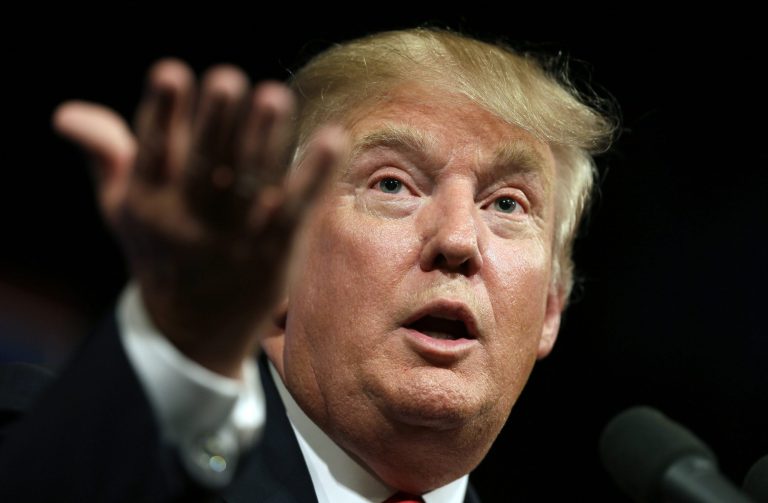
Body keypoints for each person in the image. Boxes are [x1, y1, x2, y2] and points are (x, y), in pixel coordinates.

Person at [0, 28, 614, 502]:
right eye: (392, 185)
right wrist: (182, 345)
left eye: (507, 204)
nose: (457, 240)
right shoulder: (74, 445)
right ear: (278, 259)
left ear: (551, 308)